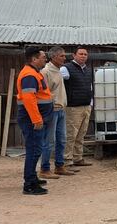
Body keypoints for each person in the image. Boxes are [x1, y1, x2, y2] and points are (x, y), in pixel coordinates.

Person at [17, 47, 53, 195]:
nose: (46, 59)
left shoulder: (33, 73)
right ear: (34, 59)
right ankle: (30, 184)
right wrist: (36, 119)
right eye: (43, 57)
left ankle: (32, 178)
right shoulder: (29, 75)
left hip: (35, 118)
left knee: (36, 149)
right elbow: (29, 99)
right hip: (31, 119)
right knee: (34, 150)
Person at [40, 46, 75, 178]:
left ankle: (59, 166)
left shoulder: (59, 71)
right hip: (51, 110)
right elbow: (43, 93)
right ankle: (44, 169)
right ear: (53, 57)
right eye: (62, 56)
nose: (64, 58)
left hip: (61, 109)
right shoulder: (46, 72)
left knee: (62, 140)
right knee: (49, 141)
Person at [61, 47, 94, 168]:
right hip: (73, 108)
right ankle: (67, 160)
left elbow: (90, 87)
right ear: (74, 55)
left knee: (81, 134)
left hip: (86, 106)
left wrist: (91, 103)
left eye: (85, 54)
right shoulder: (66, 69)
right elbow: (57, 83)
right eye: (81, 54)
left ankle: (78, 158)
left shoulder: (88, 70)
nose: (83, 56)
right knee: (71, 135)